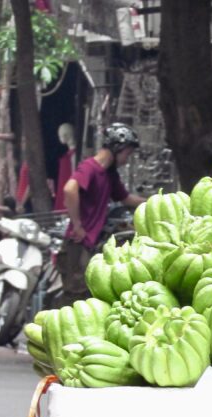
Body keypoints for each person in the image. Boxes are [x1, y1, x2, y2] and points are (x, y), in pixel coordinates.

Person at [58, 122, 145, 305]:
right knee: (76, 297)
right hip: (78, 243)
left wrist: (154, 201)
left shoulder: (110, 175)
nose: (127, 159)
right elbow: (69, 189)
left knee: (88, 294)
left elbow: (126, 198)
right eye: (127, 154)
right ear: (117, 148)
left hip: (91, 244)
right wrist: (78, 225)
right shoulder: (90, 167)